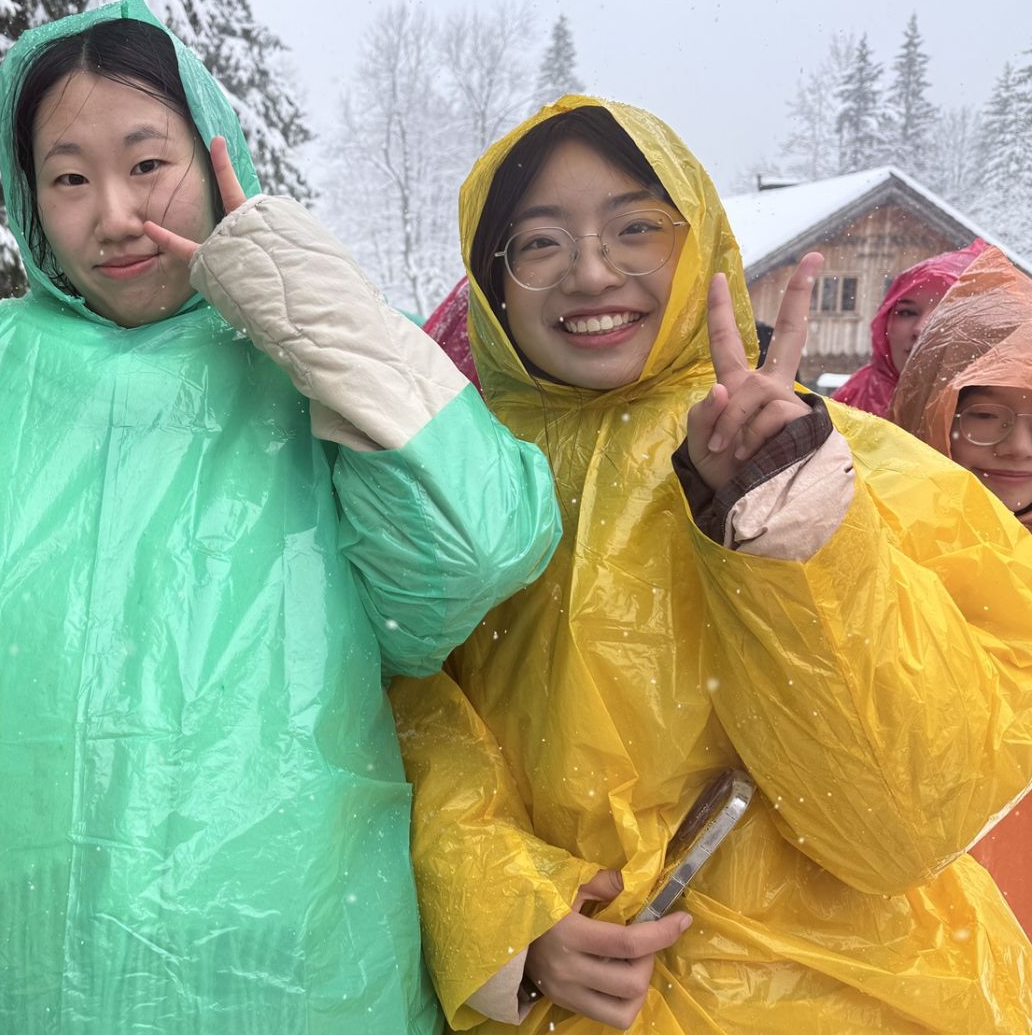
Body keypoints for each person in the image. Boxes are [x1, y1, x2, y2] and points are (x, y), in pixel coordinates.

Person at [0, 0, 561, 1033]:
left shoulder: (302, 378)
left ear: (213, 152)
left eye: (148, 164)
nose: (112, 214)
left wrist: (302, 300)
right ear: (29, 197)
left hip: (276, 964)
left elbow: (473, 552)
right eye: (69, 178)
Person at [393, 96, 1032, 1032]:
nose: (592, 270)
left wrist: (787, 523)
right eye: (538, 243)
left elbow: (904, 820)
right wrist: (507, 921)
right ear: (494, 280)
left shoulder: (860, 464)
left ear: (699, 245)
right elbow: (392, 724)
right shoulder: (449, 479)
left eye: (636, 228)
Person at [891, 247, 1032, 933]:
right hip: (919, 897)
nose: (1018, 448)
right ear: (932, 413)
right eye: (985, 417)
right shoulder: (888, 548)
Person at [832, 239, 988, 416]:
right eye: (907, 313)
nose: (920, 329)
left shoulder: (1019, 412)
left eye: (946, 313)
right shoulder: (848, 403)